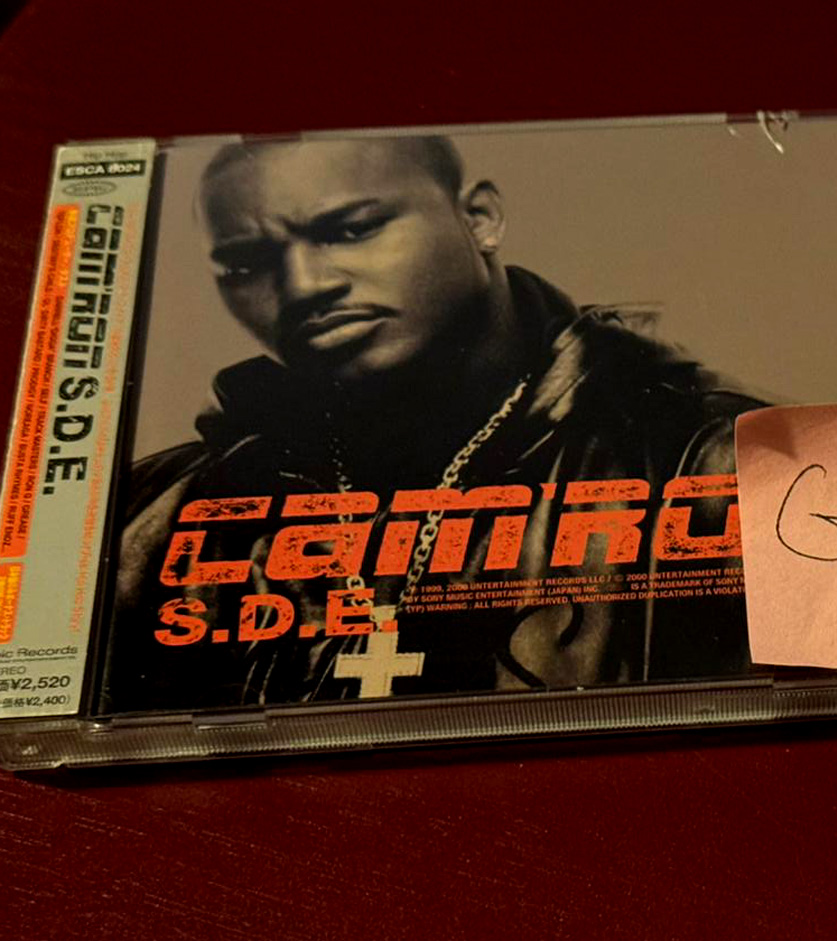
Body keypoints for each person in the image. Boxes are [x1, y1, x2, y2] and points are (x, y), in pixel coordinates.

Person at [104, 136, 762, 712]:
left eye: (351, 230)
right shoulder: (147, 513)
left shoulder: (714, 461)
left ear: (480, 219)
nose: (302, 286)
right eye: (247, 264)